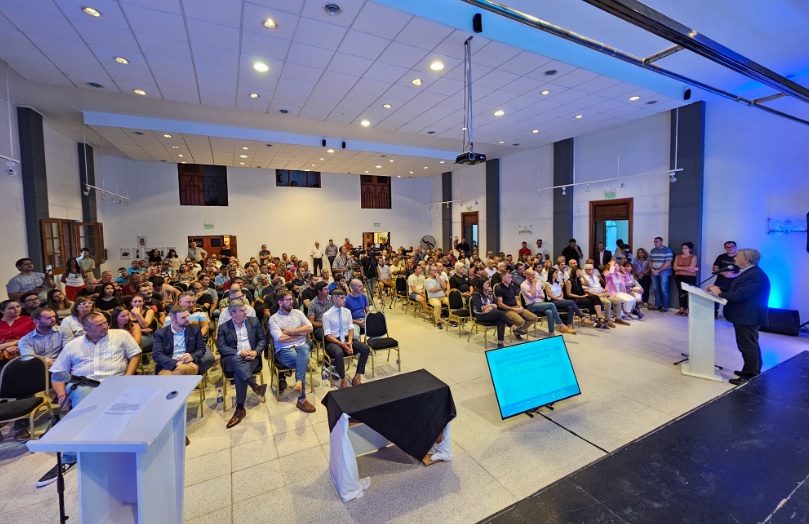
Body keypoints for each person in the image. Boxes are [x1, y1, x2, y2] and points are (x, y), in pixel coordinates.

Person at [38, 312, 141, 487]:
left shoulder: (121, 335)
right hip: (84, 384)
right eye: (99, 325)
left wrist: (127, 377)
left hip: (115, 381)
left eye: (105, 322)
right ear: (86, 329)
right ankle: (70, 456)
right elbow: (57, 373)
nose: (105, 326)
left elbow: (135, 355)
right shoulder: (73, 345)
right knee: (80, 409)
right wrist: (61, 395)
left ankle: (122, 449)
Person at [707, 249, 770, 386]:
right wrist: (720, 290)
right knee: (750, 344)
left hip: (748, 316)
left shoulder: (754, 275)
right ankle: (752, 370)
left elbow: (739, 295)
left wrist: (719, 294)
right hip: (745, 315)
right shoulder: (749, 272)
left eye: (737, 256)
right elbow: (737, 290)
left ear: (746, 259)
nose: (734, 258)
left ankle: (750, 375)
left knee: (747, 346)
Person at [217, 301, 267, 428]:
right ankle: (255, 386)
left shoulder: (254, 321)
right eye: (242, 311)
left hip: (252, 358)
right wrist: (239, 353)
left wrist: (256, 352)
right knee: (236, 360)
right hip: (232, 359)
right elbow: (222, 348)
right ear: (233, 313)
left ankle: (240, 409)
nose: (246, 312)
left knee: (240, 373)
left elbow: (262, 339)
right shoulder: (224, 327)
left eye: (245, 309)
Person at [268, 290, 315, 413]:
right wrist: (300, 334)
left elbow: (310, 328)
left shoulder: (298, 313)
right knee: (303, 360)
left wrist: (291, 331)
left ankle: (300, 388)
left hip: (301, 346)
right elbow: (280, 338)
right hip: (284, 349)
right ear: (280, 302)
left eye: (291, 299)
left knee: (304, 349)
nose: (291, 301)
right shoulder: (274, 319)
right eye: (288, 300)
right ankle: (302, 398)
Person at [322, 289, 371, 388]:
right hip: (333, 341)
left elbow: (350, 328)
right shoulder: (326, 315)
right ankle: (343, 378)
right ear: (334, 299)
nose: (345, 300)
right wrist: (341, 344)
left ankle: (357, 376)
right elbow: (328, 335)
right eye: (342, 298)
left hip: (346, 338)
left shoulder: (347, 312)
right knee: (339, 353)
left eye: (344, 297)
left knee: (365, 348)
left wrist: (349, 341)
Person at [154, 305, 208, 378]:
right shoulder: (161, 333)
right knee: (168, 376)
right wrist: (176, 363)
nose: (187, 319)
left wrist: (192, 356)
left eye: (187, 316)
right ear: (173, 319)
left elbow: (201, 349)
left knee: (180, 370)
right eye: (183, 317)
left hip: (189, 364)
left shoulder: (195, 329)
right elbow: (157, 354)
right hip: (168, 365)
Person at [520, 269, 574, 335]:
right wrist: (534, 285)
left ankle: (551, 333)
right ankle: (561, 325)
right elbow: (531, 296)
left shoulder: (537, 283)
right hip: (531, 305)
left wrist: (535, 294)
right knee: (551, 305)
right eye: (531, 275)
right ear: (526, 276)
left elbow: (543, 295)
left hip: (540, 303)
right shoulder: (524, 285)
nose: (533, 276)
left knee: (549, 312)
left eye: (534, 274)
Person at [471, 279, 515, 348]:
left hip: (490, 313)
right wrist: (490, 305)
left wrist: (490, 308)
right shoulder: (476, 294)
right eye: (486, 283)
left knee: (500, 320)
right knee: (500, 313)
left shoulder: (489, 292)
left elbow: (496, 304)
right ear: (481, 284)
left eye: (488, 283)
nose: (488, 285)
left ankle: (500, 343)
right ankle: (513, 327)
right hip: (481, 315)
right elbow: (479, 308)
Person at [495, 272, 537, 339]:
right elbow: (500, 304)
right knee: (521, 321)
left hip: (516, 307)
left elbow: (517, 299)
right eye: (509, 277)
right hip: (506, 310)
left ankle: (517, 330)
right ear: (503, 278)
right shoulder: (499, 288)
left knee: (534, 318)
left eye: (511, 277)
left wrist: (520, 306)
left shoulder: (512, 287)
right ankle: (517, 330)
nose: (511, 279)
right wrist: (513, 309)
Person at [0, 299, 35, 370]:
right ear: (2, 311)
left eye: (18, 306)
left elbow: (34, 336)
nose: (16, 309)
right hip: (2, 353)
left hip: (25, 350)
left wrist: (9, 344)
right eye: (11, 308)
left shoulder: (29, 320)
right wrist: (6, 348)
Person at [712, 241, 740, 319]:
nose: (730, 248)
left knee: (731, 300)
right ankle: (714, 314)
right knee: (716, 297)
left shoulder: (740, 257)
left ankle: (729, 316)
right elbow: (715, 268)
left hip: (734, 283)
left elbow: (744, 270)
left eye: (732, 247)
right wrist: (723, 273)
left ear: (735, 247)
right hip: (720, 282)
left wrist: (733, 275)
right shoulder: (721, 257)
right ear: (725, 248)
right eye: (727, 247)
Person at [649, 237, 674, 312]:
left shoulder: (667, 250)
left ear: (661, 242)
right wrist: (652, 269)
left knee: (664, 289)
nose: (655, 243)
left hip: (664, 272)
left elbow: (668, 262)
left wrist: (658, 270)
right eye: (654, 242)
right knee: (656, 288)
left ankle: (665, 306)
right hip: (654, 271)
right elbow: (650, 261)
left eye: (657, 241)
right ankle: (657, 305)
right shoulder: (653, 250)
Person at [673, 242, 699, 316]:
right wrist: (689, 269)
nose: (684, 250)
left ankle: (687, 310)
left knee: (688, 293)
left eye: (686, 248)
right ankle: (681, 309)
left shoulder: (693, 257)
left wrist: (679, 268)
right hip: (679, 276)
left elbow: (691, 267)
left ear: (690, 249)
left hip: (690, 277)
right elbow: (674, 267)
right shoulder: (678, 256)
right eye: (683, 248)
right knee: (681, 293)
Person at [425, 265, 449, 329]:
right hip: (433, 298)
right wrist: (441, 288)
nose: (436, 272)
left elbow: (445, 286)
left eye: (436, 270)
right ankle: (438, 322)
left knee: (451, 302)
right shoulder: (427, 280)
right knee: (437, 305)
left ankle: (452, 319)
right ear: (430, 271)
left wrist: (440, 279)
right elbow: (433, 290)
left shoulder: (438, 279)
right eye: (434, 271)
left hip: (442, 297)